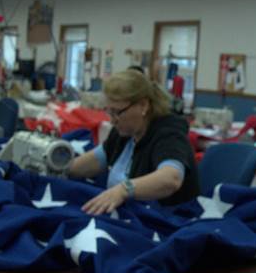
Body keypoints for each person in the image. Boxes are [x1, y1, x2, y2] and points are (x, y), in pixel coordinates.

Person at [70, 69, 200, 213]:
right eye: (109, 112)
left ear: (143, 106)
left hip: (165, 220)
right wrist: (60, 168)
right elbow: (95, 160)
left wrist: (124, 190)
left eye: (117, 112)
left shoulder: (168, 135)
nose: (112, 120)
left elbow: (171, 179)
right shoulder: (124, 132)